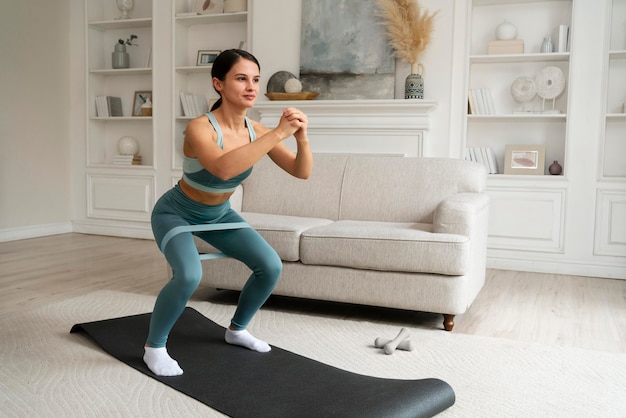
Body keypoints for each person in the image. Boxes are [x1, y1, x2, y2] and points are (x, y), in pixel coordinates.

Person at [143, 49, 312, 377]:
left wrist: (302, 139)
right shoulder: (199, 128)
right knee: (190, 275)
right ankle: (154, 347)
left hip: (218, 214)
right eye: (241, 78)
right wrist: (279, 133)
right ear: (218, 84)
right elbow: (222, 169)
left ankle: (236, 330)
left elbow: (300, 171)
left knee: (269, 265)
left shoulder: (257, 131)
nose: (251, 86)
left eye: (256, 79)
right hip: (176, 213)